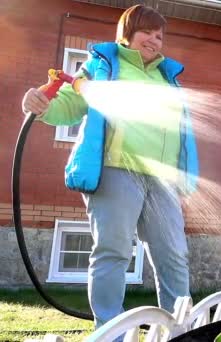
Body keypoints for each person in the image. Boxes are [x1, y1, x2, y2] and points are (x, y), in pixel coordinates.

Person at [21, 5, 199, 328]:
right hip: (116, 170)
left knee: (174, 255)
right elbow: (70, 103)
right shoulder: (104, 65)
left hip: (161, 179)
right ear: (127, 34)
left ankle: (179, 331)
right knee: (114, 251)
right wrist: (42, 105)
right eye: (147, 31)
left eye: (159, 35)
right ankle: (110, 332)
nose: (154, 40)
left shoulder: (166, 76)